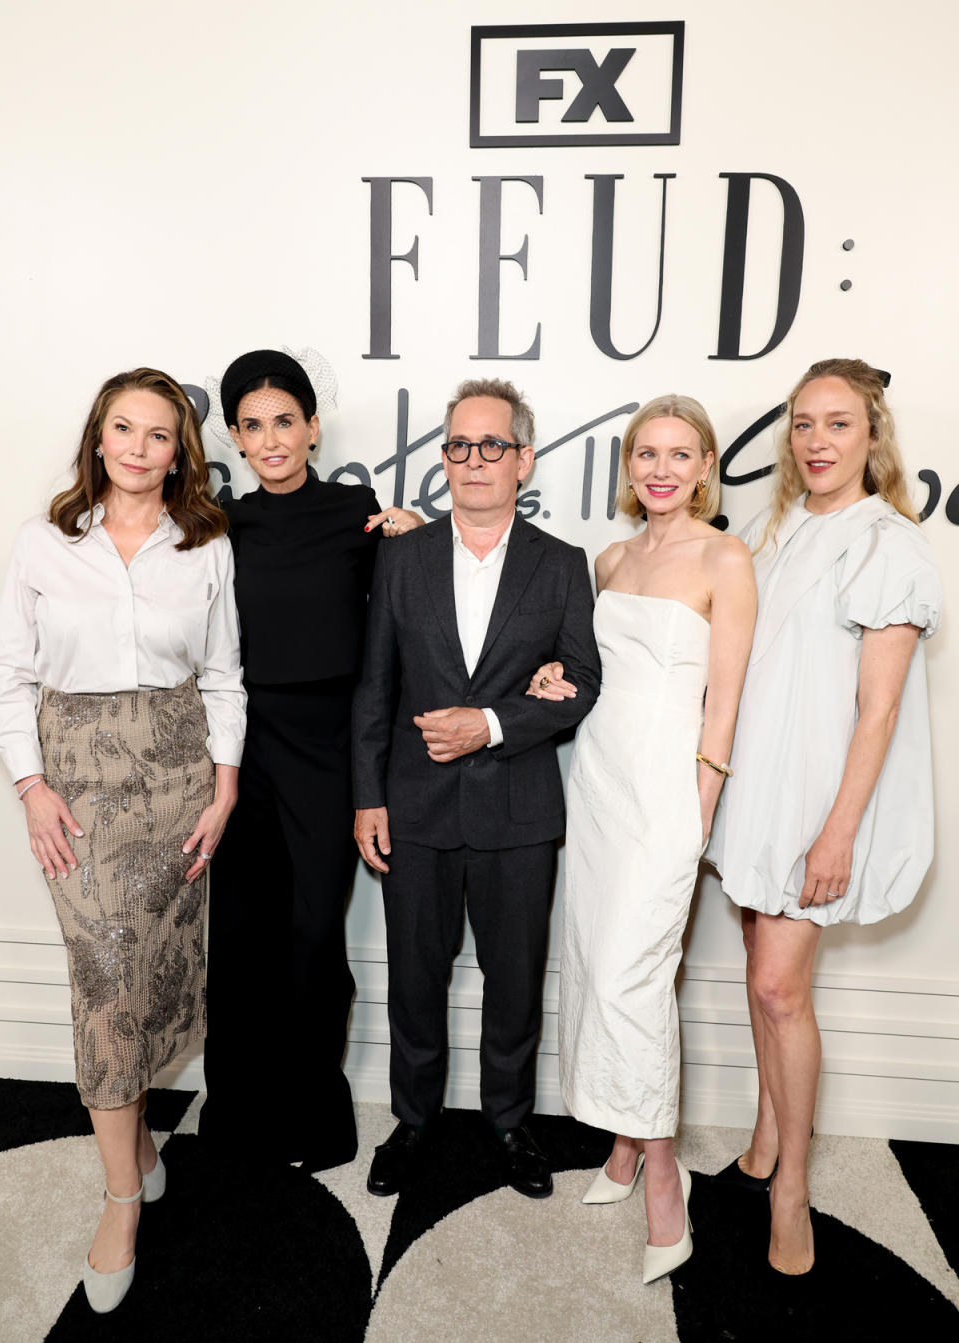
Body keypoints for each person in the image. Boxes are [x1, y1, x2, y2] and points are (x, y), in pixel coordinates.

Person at [0, 368, 245, 1312]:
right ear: (97, 440)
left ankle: (139, 1145)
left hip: (180, 778)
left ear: (179, 450)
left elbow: (224, 676)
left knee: (159, 972)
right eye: (122, 430)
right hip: (79, 787)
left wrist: (224, 788)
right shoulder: (42, 542)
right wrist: (30, 786)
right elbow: (13, 676)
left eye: (158, 435)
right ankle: (119, 1196)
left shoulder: (206, 545)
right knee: (104, 976)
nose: (139, 448)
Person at [707, 358, 942, 1275]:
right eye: (803, 424)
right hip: (756, 787)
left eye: (838, 425)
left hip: (818, 799)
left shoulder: (888, 543)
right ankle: (767, 1130)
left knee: (778, 988)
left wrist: (838, 830)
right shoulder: (783, 529)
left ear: (873, 438)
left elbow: (879, 709)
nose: (816, 442)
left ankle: (792, 1188)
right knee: (759, 969)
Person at [352, 377, 601, 1198]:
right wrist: (368, 796)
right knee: (414, 982)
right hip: (413, 811)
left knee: (515, 982)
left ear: (523, 459)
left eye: (492, 445)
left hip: (519, 814)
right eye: (459, 445)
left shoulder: (563, 567)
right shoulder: (402, 557)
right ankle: (414, 1118)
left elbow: (584, 684)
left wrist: (490, 724)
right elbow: (374, 689)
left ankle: (508, 1120)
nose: (473, 460)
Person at [527, 395, 756, 1280]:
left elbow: (725, 698)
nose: (661, 468)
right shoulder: (611, 556)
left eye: (679, 453)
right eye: (645, 454)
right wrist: (554, 672)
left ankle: (664, 1174)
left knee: (635, 976)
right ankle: (622, 1145)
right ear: (629, 468)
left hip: (668, 789)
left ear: (705, 466)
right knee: (592, 961)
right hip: (596, 780)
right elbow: (596, 676)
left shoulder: (725, 557)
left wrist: (699, 807)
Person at [198, 348, 420, 1171]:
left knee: (314, 933)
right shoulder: (222, 524)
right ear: (234, 437)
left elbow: (410, 613)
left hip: (331, 750)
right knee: (244, 935)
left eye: (284, 420)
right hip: (243, 749)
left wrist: (420, 535)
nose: (271, 439)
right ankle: (238, 1112)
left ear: (313, 426)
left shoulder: (359, 513)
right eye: (252, 426)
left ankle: (315, 1111)